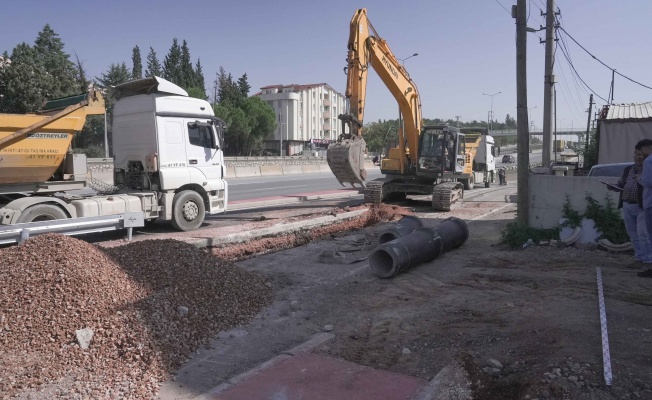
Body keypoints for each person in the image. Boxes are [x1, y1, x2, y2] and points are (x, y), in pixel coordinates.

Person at [607, 140, 652, 269]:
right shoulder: (628, 170)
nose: (639, 157)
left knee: (644, 234)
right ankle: (639, 258)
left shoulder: (648, 168)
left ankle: (648, 261)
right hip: (627, 205)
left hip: (642, 207)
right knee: (633, 234)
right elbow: (621, 183)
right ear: (633, 156)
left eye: (641, 154)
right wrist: (613, 186)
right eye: (636, 154)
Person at [637, 139, 652, 278]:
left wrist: (639, 179)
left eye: (641, 151)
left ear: (645, 149)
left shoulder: (649, 161)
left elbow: (648, 181)